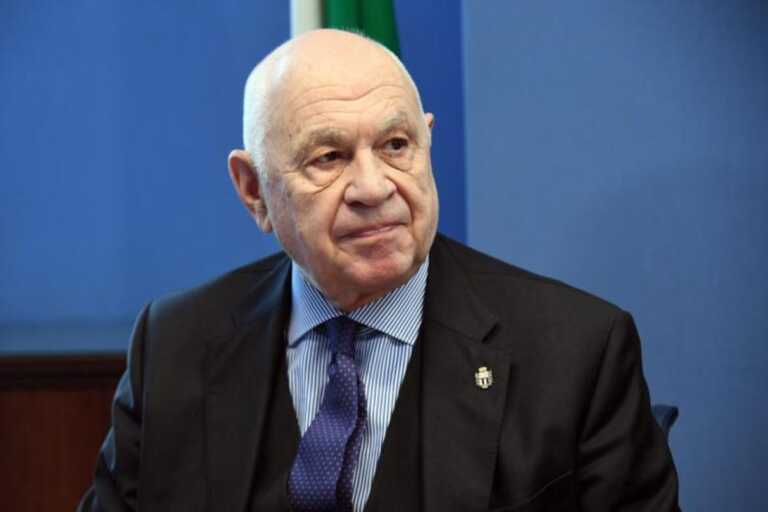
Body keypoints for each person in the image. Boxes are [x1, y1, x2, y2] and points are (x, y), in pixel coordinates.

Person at [79, 29, 680, 511]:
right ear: (254, 190)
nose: (373, 188)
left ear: (427, 142)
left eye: (396, 145)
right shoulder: (175, 345)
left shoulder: (576, 353)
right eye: (328, 157)